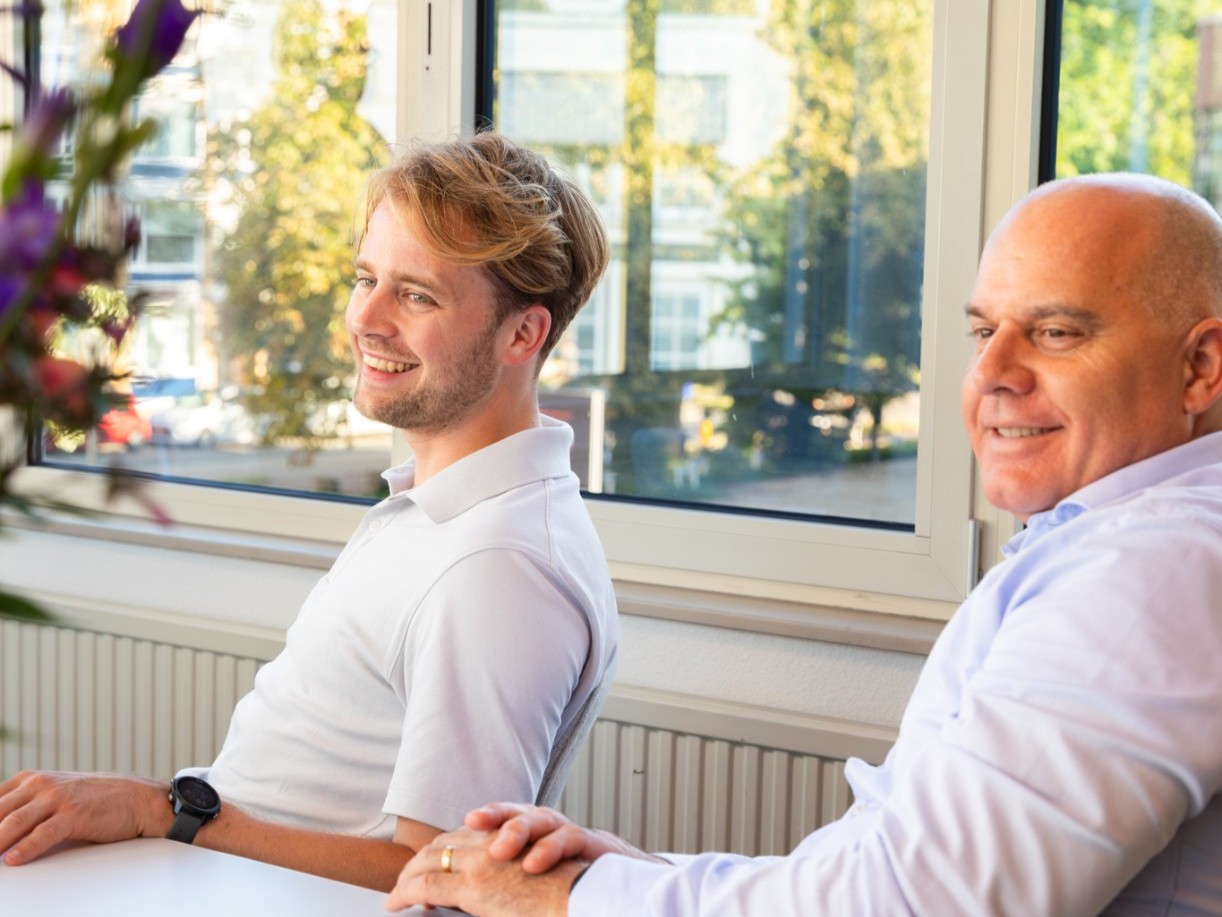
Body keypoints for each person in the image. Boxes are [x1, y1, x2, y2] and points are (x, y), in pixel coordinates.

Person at [386, 172, 1222, 916]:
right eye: (982, 332)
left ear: (1201, 367)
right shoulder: (1115, 540)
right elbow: (886, 868)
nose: (991, 373)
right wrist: (629, 874)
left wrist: (574, 898)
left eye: (1057, 332)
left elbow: (920, 902)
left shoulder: (1154, 567)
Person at [0, 132, 619, 892]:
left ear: (523, 333)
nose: (367, 318)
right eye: (366, 278)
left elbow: (447, 880)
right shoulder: (444, 510)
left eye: (417, 295)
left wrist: (161, 811)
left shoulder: (498, 567)